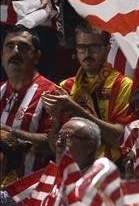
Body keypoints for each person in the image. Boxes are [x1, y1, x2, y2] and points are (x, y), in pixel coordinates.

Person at [45, 23, 132, 158]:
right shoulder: (66, 86)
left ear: (107, 49)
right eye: (82, 47)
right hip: (74, 168)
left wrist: (74, 108)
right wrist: (56, 121)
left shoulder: (122, 84)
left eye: (94, 47)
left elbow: (120, 139)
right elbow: (55, 146)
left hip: (109, 169)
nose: (87, 53)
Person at [0, 27, 56, 181]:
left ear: (37, 56)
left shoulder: (52, 94)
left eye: (23, 47)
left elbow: (56, 145)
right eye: (9, 46)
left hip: (31, 193)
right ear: (2, 55)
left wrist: (11, 134)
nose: (15, 51)